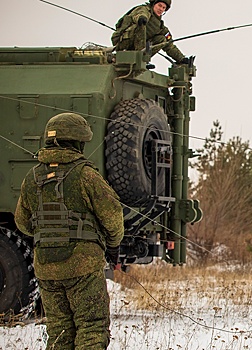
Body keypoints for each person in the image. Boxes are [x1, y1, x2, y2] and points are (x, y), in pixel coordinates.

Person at [14, 113, 124, 349]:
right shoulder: (86, 175)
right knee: (92, 327)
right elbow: (113, 216)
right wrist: (113, 245)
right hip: (83, 266)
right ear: (78, 142)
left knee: (59, 331)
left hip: (46, 267)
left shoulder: (31, 179)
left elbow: (22, 223)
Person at [111, 0, 189, 64]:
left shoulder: (160, 27)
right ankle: (139, 59)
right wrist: (141, 18)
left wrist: (182, 59)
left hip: (137, 49)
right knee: (141, 25)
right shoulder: (144, 9)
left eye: (163, 7)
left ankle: (142, 60)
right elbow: (139, 15)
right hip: (123, 42)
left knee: (162, 39)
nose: (161, 9)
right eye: (159, 5)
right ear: (154, 4)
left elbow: (169, 45)